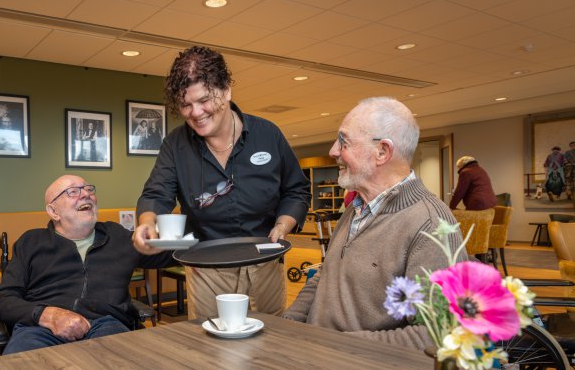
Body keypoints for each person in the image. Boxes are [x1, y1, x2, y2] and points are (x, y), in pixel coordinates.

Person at [133, 45, 311, 321]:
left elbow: (296, 189)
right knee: (209, 340)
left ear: (226, 91)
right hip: (206, 269)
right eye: (185, 105)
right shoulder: (175, 145)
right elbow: (157, 194)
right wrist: (147, 223)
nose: (196, 112)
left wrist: (283, 225)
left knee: (272, 336)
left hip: (264, 263)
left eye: (204, 100)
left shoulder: (267, 134)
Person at [283, 97, 467, 350]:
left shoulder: (431, 225)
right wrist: (289, 324)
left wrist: (337, 346)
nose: (333, 151)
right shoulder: (356, 207)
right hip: (315, 352)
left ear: (382, 152)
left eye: (344, 142)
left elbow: (436, 333)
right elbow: (326, 275)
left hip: (357, 366)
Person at [0, 175, 174, 355]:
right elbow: (1, 301)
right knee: (20, 368)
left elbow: (168, 255)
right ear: (53, 211)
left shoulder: (117, 236)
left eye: (88, 189)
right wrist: (49, 315)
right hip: (40, 329)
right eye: (73, 191)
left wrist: (174, 236)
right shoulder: (31, 242)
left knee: (121, 367)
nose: (86, 194)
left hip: (107, 325)